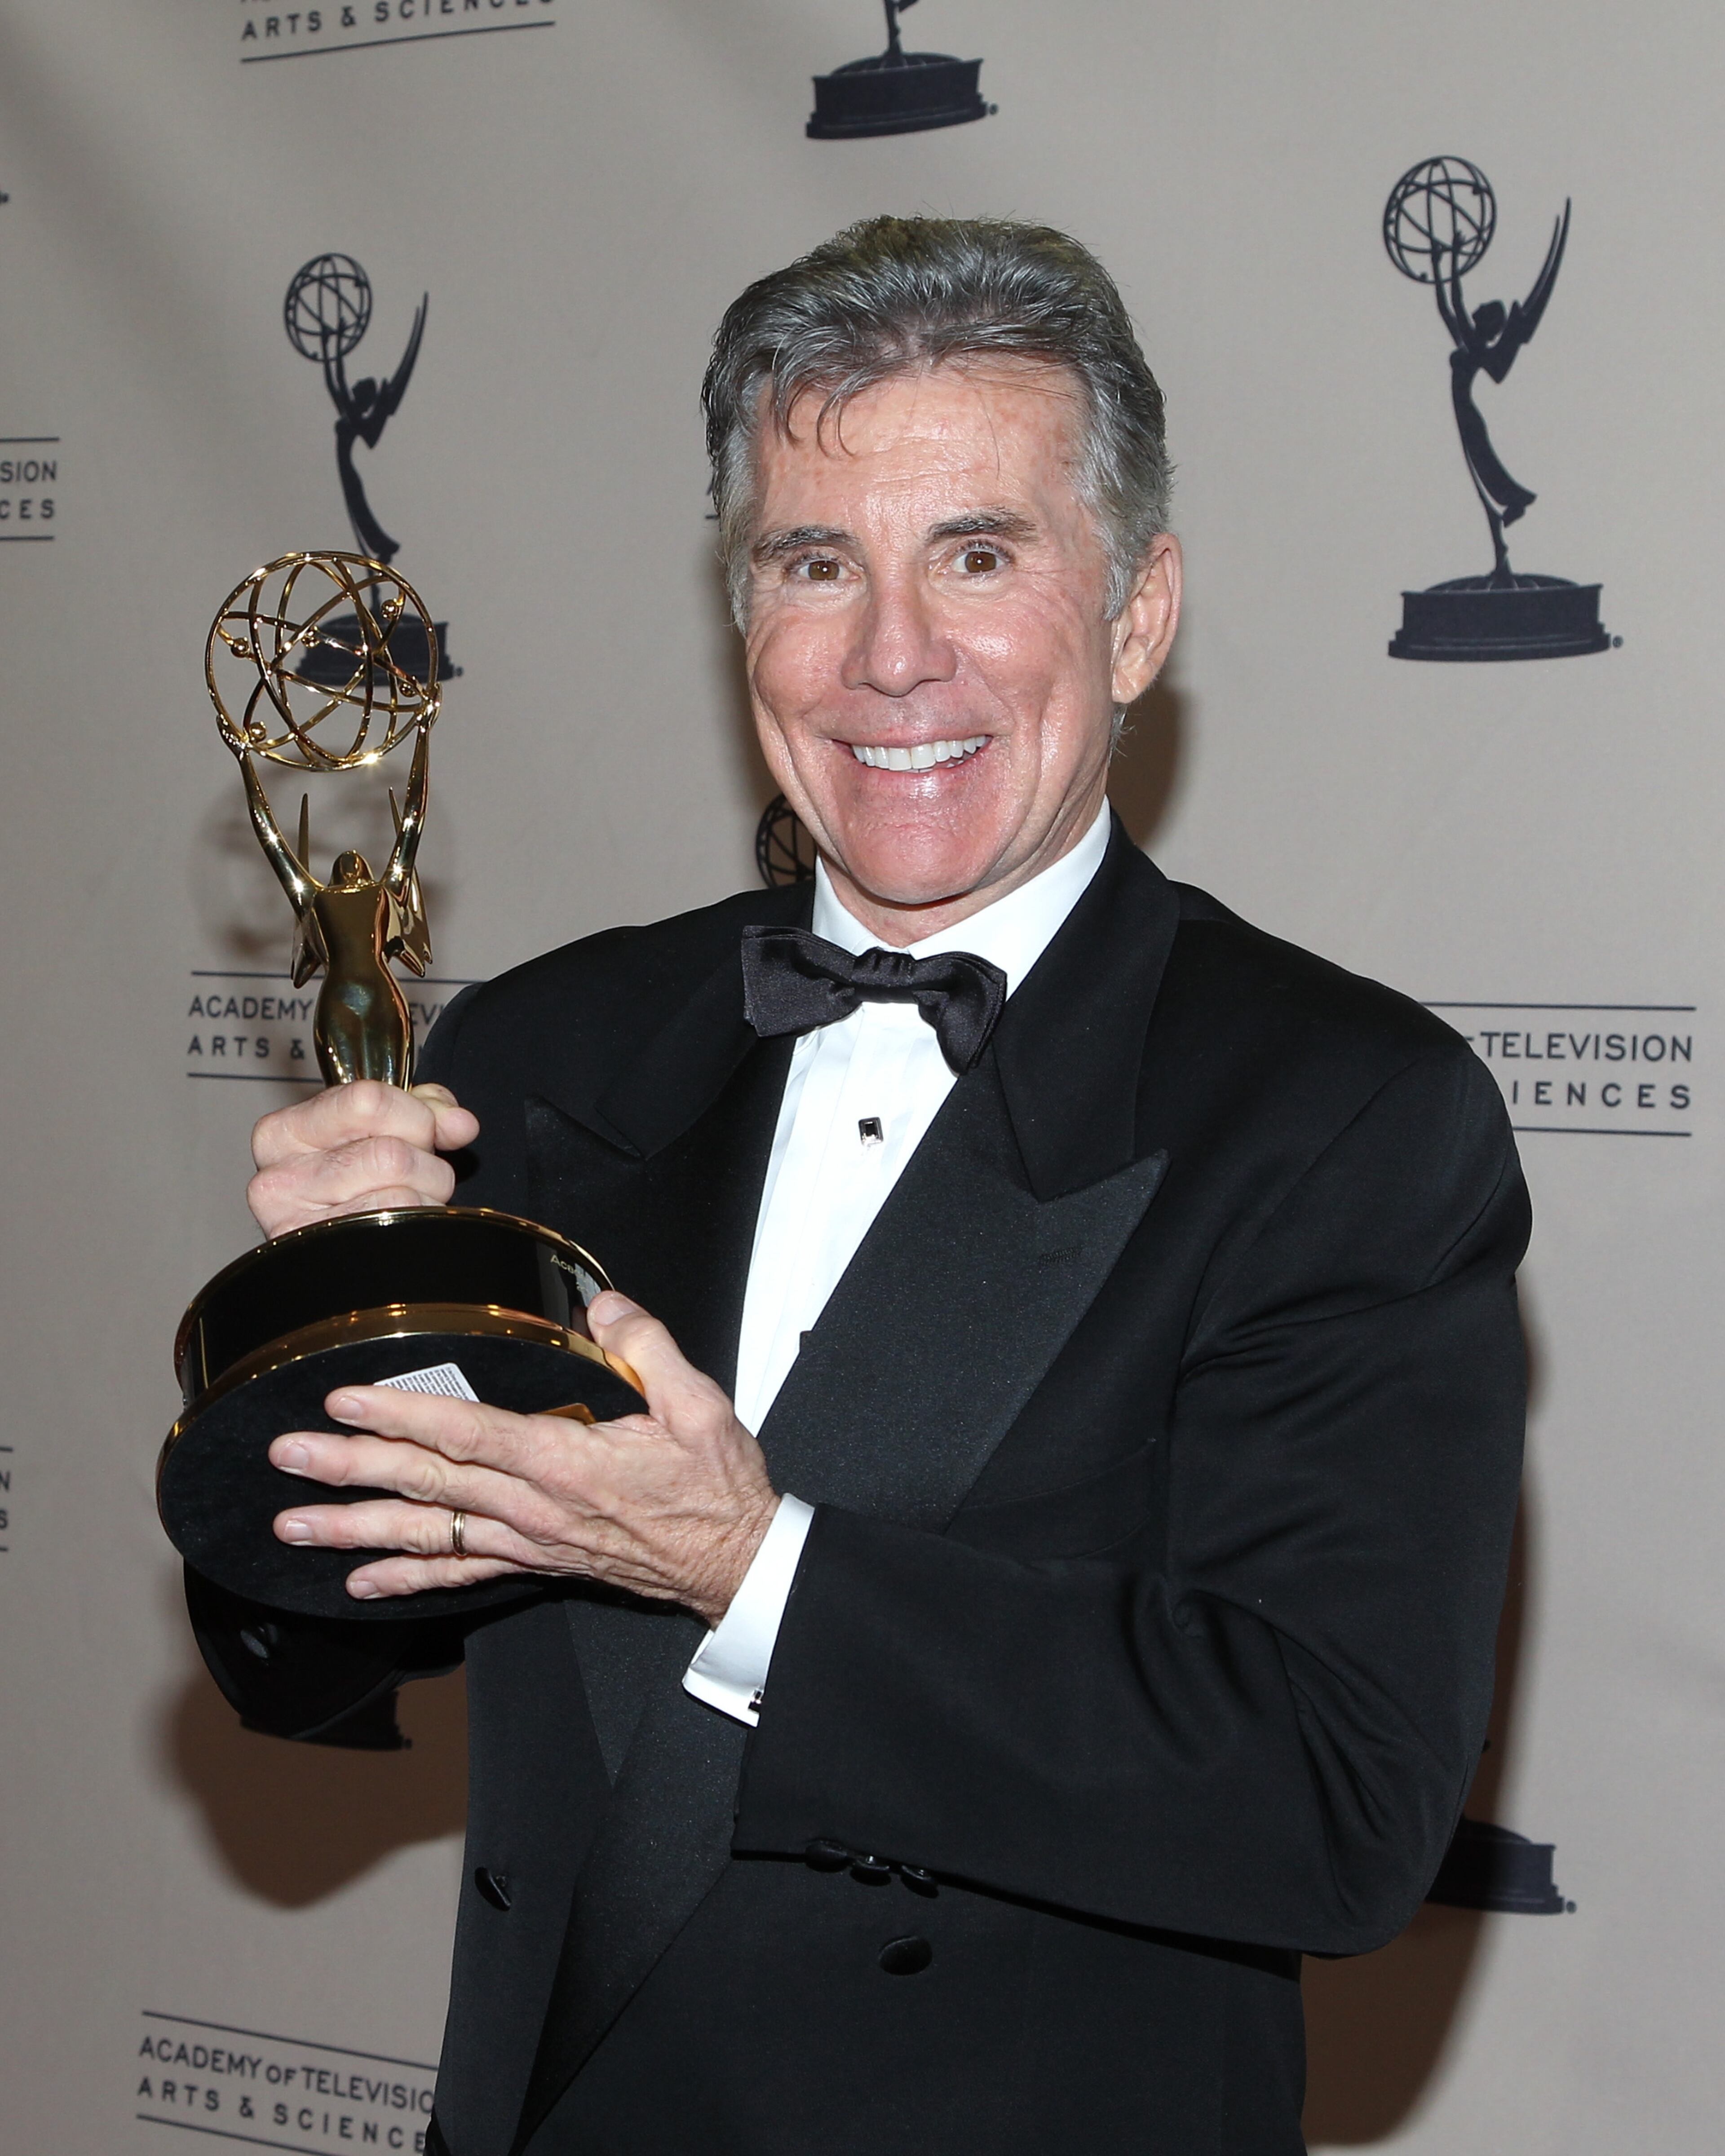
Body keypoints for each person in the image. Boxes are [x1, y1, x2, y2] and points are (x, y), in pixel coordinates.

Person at [189, 216, 1529, 2156]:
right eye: (815, 565)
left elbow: (1334, 1809)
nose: (891, 658)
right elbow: (314, 1655)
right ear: (745, 610)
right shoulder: (549, 1054)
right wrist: (326, 1371)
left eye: (978, 555)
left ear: (1139, 611)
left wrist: (754, 1573)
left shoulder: (1345, 1118)